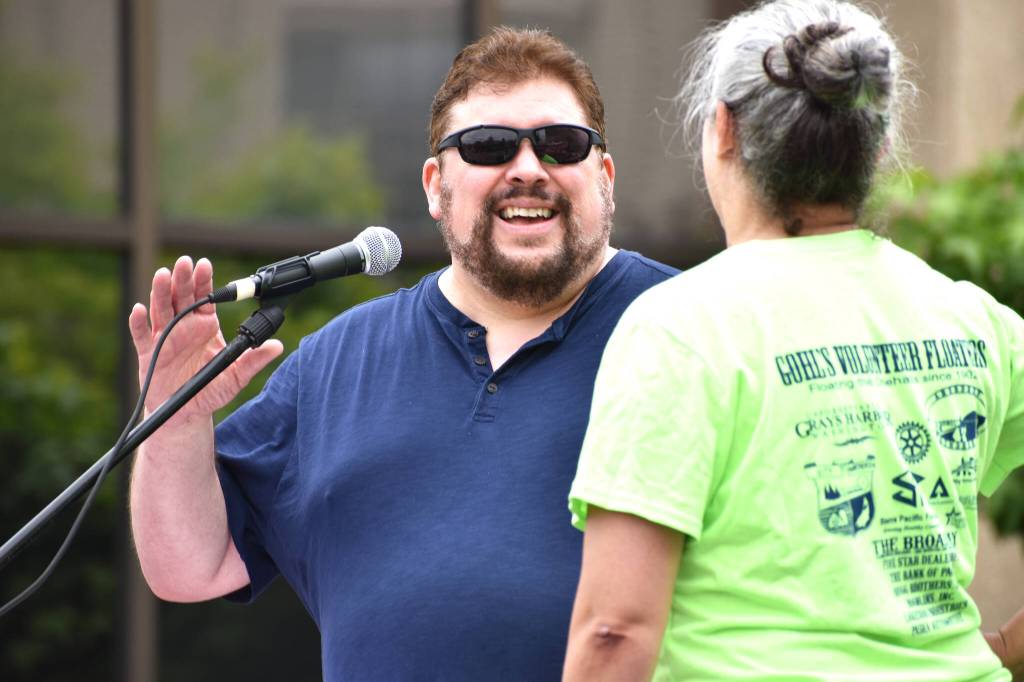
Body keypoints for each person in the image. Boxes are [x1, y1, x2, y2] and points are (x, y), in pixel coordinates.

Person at [127, 27, 676, 681]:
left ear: (605, 176)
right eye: (489, 147)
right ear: (434, 184)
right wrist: (173, 416)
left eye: (561, 145)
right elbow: (192, 568)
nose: (528, 168)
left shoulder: (693, 328)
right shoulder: (333, 363)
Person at [562, 1, 1024, 680]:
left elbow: (613, 632)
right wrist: (1003, 653)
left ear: (723, 130)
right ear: (881, 147)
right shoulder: (973, 322)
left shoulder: (683, 330)